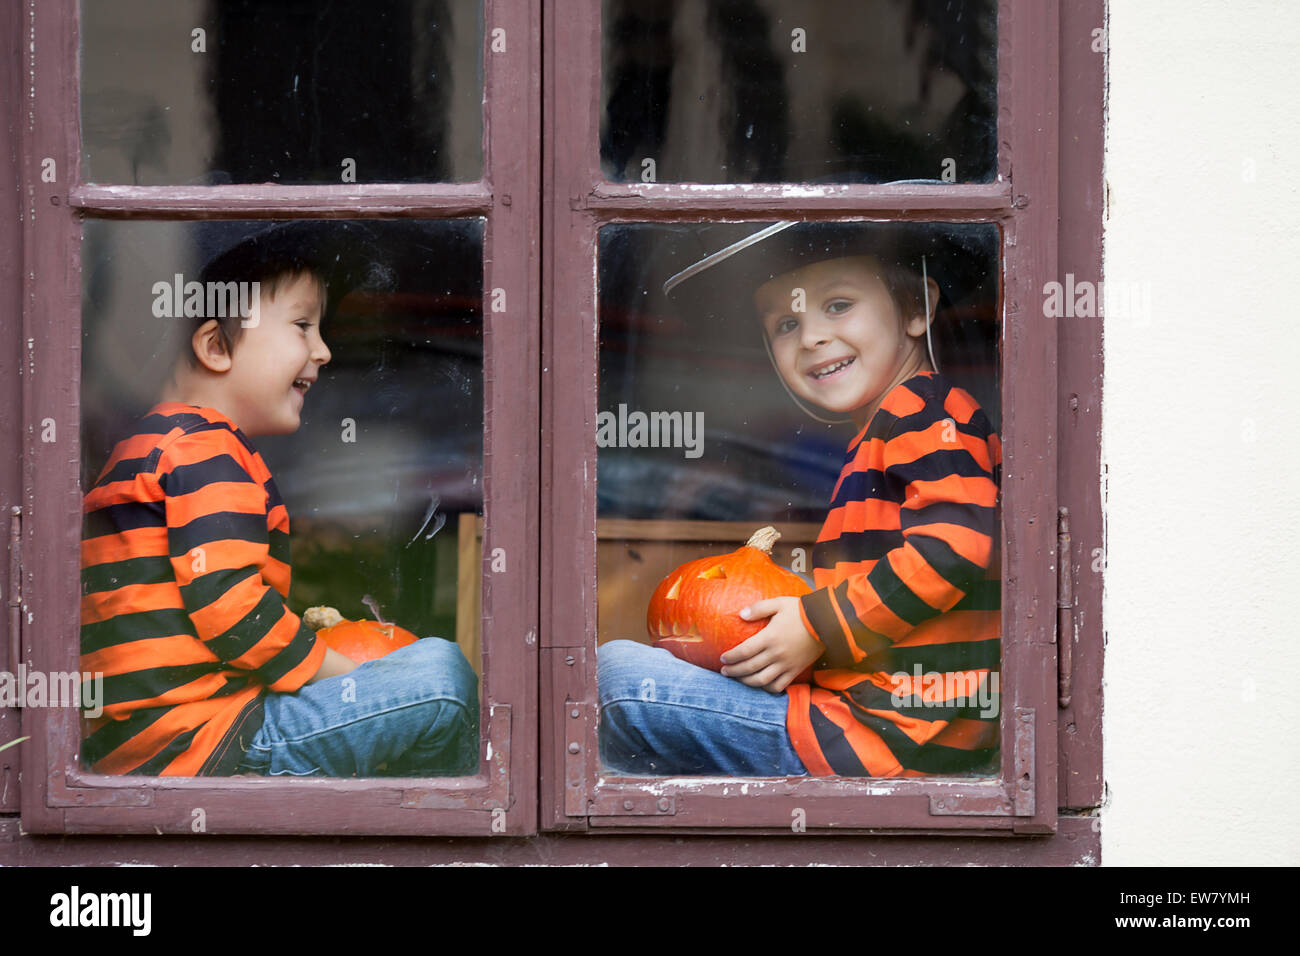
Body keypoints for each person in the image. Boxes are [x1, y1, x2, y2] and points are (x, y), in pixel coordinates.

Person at [597, 221, 1001, 777]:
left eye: (837, 305)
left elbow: (955, 547)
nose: (811, 336)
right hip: (877, 725)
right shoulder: (888, 428)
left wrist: (816, 626)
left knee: (614, 678)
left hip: (879, 736)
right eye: (787, 323)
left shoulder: (924, 411)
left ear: (916, 307)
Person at [80, 222, 478, 776]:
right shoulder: (206, 450)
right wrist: (348, 675)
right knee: (441, 676)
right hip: (210, 738)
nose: (323, 350)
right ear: (216, 345)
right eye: (302, 326)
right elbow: (231, 607)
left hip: (146, 745)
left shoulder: (147, 445)